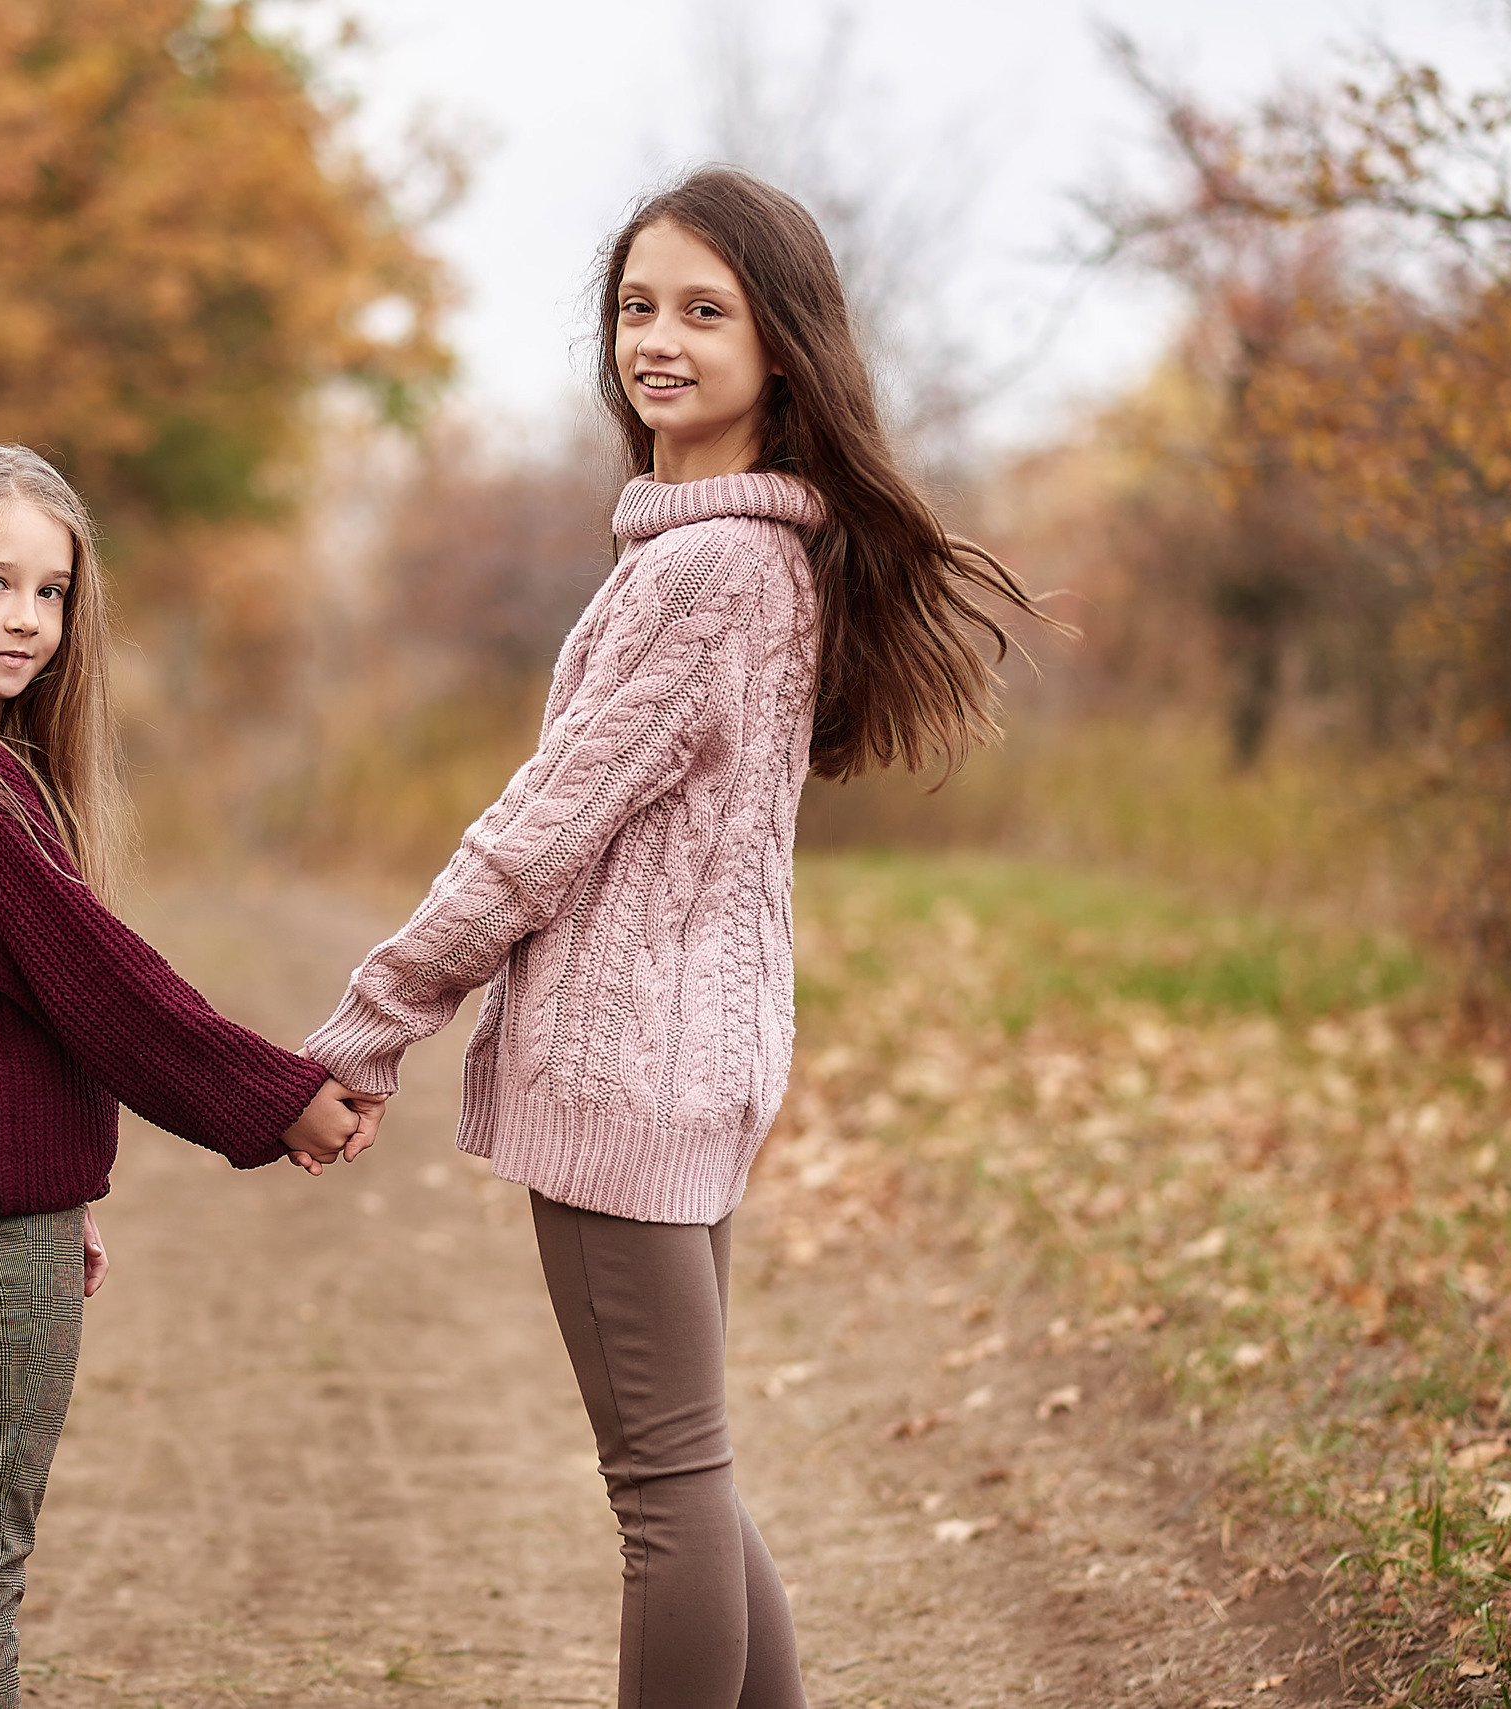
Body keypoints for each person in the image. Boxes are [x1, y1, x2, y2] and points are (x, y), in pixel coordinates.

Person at [303, 166, 1060, 1708]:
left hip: (629, 1065)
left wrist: (373, 1016)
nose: (658, 340)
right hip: (691, 1060)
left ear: (781, 347)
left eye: (703, 312)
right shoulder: (737, 552)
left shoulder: (708, 571)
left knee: (664, 1486)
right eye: (637, 308)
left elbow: (535, 835)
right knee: (690, 1474)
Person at [0, 440, 377, 1709]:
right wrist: (278, 1097)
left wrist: (63, 1176)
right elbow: (111, 993)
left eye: (50, 592)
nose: (25, 619)